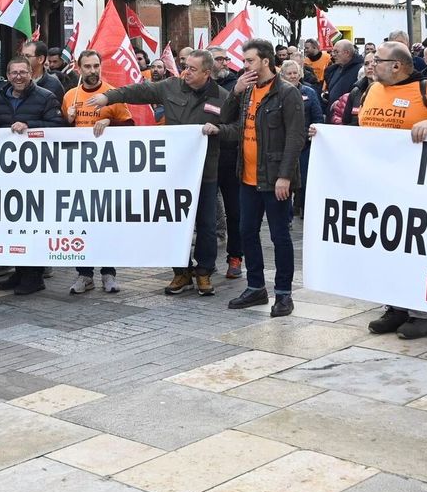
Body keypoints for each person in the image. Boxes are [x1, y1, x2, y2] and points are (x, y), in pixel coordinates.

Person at [93, 49, 227, 299]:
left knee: (206, 226)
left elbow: (236, 127)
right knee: (175, 223)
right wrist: (107, 97)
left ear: (207, 73)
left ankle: (204, 272)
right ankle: (182, 271)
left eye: (192, 69)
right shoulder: (170, 87)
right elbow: (137, 91)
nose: (186, 72)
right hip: (173, 173)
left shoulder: (222, 97)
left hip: (205, 172)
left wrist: (218, 130)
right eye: (185, 66)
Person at [358, 42, 427, 339]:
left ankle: (420, 314)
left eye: (378, 60)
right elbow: (360, 128)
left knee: (413, 250)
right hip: (378, 184)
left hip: (414, 186)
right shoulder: (374, 89)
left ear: (397, 66)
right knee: (385, 247)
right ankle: (395, 308)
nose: (371, 64)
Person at [220, 39, 305, 318]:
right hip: (247, 176)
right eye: (244, 62)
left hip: (274, 178)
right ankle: (256, 286)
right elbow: (226, 119)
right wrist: (235, 92)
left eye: (249, 61)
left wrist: (285, 177)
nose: (245, 66)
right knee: (247, 232)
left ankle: (283, 294)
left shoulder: (286, 93)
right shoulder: (246, 90)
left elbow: (295, 137)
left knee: (280, 236)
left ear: (266, 62)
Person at [0, 56, 65, 296]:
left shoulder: (46, 97)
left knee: (32, 226)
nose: (18, 77)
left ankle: (34, 276)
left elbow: (59, 127)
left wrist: (28, 125)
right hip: (7, 174)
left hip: (37, 175)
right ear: (7, 74)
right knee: (12, 225)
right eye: (13, 73)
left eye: (23, 72)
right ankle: (20, 272)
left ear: (31, 73)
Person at [62, 50, 133, 296]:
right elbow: (60, 136)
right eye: (87, 67)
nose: (92, 71)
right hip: (77, 171)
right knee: (80, 222)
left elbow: (131, 127)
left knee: (105, 222)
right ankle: (84, 274)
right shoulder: (71, 96)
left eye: (96, 66)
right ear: (79, 69)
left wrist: (110, 123)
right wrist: (67, 120)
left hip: (106, 171)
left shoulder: (112, 94)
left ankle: (108, 273)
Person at [206, 46, 245, 280]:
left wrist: (219, 130)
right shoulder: (195, 89)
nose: (224, 63)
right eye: (219, 59)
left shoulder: (236, 86)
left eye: (226, 59)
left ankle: (235, 257)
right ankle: (207, 261)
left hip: (230, 157)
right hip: (206, 160)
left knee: (235, 212)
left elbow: (239, 125)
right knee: (207, 214)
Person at [279, 59, 324, 216]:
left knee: (304, 180)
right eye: (289, 73)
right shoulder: (278, 93)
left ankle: (303, 209)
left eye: (295, 73)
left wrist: (314, 130)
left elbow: (318, 117)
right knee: (286, 181)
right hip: (284, 143)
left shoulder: (309, 92)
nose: (292, 76)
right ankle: (288, 215)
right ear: (282, 75)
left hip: (304, 144)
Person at [322, 39, 362, 117]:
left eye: (336, 52)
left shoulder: (360, 70)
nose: (333, 55)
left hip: (348, 117)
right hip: (332, 116)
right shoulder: (332, 70)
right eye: (332, 51)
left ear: (347, 53)